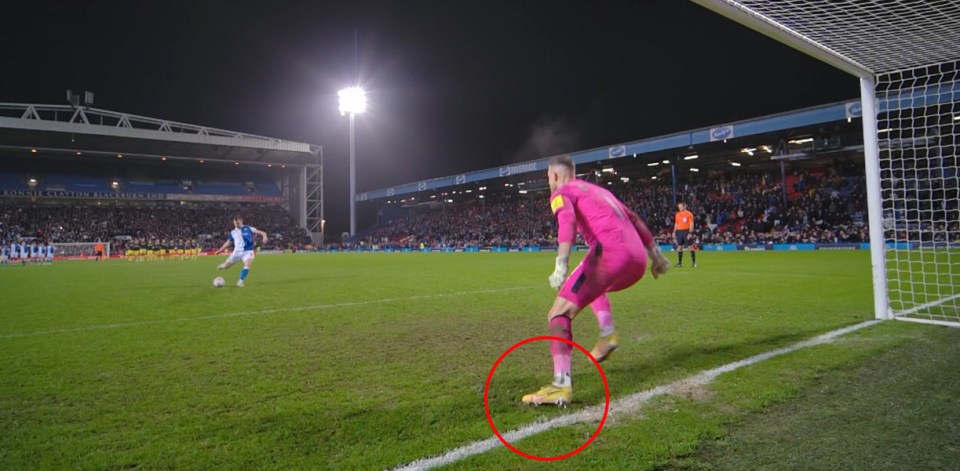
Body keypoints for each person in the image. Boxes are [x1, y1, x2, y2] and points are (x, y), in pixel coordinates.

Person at [521, 155, 670, 406]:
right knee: (589, 286)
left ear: (555, 175)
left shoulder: (562, 192)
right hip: (636, 260)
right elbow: (634, 218)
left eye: (548, 177)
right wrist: (656, 256)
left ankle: (560, 385)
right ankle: (607, 334)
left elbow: (566, 220)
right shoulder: (599, 191)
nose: (548, 182)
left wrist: (561, 262)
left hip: (610, 253)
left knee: (558, 314)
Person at [214, 215, 268, 287]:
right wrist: (219, 251)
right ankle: (223, 266)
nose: (237, 224)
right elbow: (228, 243)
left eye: (238, 223)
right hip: (236, 252)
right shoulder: (233, 232)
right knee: (226, 267)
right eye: (235, 223)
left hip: (248, 251)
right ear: (233, 223)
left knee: (247, 264)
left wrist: (265, 237)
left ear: (241, 221)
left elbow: (263, 233)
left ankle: (240, 281)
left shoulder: (248, 228)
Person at [673, 202, 696, 267]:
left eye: (680, 207)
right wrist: (674, 232)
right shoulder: (677, 214)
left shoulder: (689, 214)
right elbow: (676, 224)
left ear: (684, 206)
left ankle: (694, 263)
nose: (679, 208)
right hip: (679, 232)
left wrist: (690, 233)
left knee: (690, 247)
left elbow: (691, 224)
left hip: (687, 231)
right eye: (679, 207)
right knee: (679, 247)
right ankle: (680, 263)